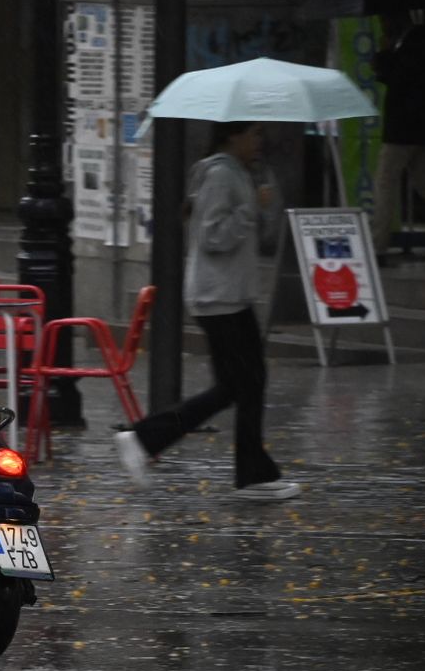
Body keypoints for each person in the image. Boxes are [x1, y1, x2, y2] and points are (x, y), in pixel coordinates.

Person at [115, 121, 300, 502]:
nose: (259, 142)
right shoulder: (219, 174)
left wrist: (263, 204)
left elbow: (255, 234)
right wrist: (250, 208)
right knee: (245, 383)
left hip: (229, 296)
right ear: (232, 135)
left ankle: (152, 439)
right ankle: (247, 472)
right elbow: (212, 237)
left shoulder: (237, 174)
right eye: (253, 133)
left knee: (239, 385)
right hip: (219, 298)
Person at [370, 9, 425, 264]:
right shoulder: (424, 41)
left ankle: (378, 246)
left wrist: (385, 52)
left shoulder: (413, 44)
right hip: (420, 131)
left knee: (385, 184)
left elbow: (396, 78)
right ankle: (379, 244)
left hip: (402, 131)